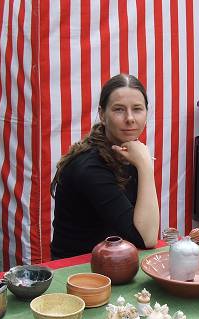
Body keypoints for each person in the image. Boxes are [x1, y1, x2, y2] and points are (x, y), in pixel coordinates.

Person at [50, 73, 159, 259]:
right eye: (119, 109)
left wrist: (142, 164)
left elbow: (144, 225)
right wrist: (145, 166)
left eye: (137, 109)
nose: (130, 118)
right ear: (102, 114)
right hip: (78, 268)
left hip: (115, 260)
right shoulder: (90, 167)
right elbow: (146, 238)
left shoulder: (128, 152)